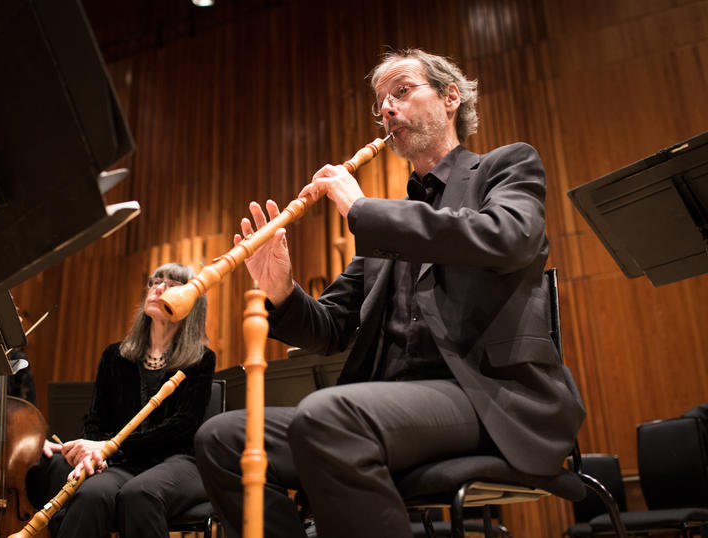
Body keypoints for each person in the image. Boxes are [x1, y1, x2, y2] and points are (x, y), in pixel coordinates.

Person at [194, 49, 586, 538]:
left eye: (401, 92)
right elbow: (332, 327)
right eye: (380, 103)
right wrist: (280, 289)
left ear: (449, 98)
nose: (387, 109)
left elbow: (506, 237)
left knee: (330, 416)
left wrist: (361, 208)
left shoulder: (505, 168)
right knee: (223, 437)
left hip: (489, 398)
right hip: (393, 409)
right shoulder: (390, 229)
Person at [44, 262, 215, 538]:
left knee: (140, 495)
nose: (158, 288)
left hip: (178, 463)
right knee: (91, 495)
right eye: (155, 282)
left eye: (171, 285)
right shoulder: (114, 356)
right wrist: (93, 451)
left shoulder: (201, 359)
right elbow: (95, 419)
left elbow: (182, 428)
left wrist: (110, 447)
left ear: (190, 302)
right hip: (122, 463)